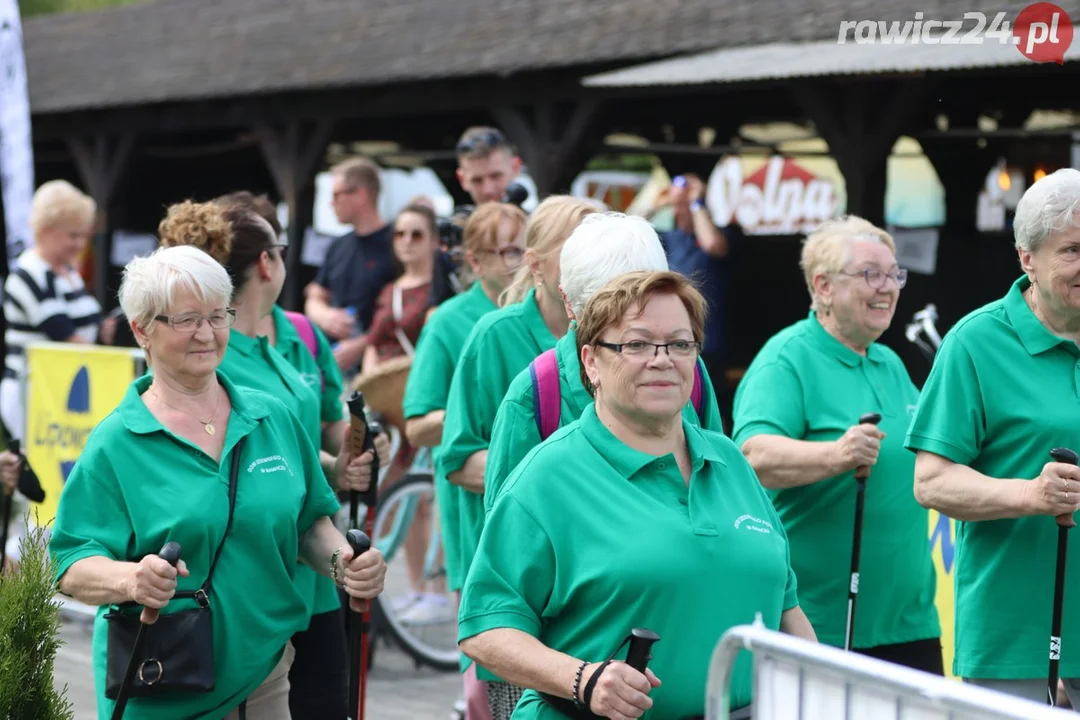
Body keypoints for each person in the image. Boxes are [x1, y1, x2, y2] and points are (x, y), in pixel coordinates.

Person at [49, 244, 386, 720]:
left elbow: (310, 522)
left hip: (266, 675)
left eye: (217, 315)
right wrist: (131, 579)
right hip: (161, 684)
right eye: (186, 320)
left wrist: (343, 562)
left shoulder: (273, 417)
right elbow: (69, 561)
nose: (206, 334)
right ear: (142, 330)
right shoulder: (117, 442)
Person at [459, 270, 815, 719]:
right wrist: (581, 678)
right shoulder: (548, 476)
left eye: (680, 344)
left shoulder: (730, 461)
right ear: (591, 362)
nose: (662, 359)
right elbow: (486, 628)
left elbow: (787, 610)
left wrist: (818, 695)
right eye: (637, 344)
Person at [157, 201, 380, 720]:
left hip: (314, 569)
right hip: (249, 580)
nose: (205, 330)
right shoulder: (210, 355)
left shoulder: (293, 338)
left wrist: (347, 461)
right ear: (266, 262)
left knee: (323, 706)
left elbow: (307, 448)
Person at [730, 216, 941, 673]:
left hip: (911, 623)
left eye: (894, 274)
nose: (887, 287)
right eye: (870, 274)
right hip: (818, 626)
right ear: (822, 286)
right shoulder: (787, 358)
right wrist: (837, 455)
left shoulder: (890, 363)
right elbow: (751, 456)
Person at [907, 168, 1080, 701]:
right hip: (1017, 633)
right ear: (1027, 258)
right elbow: (930, 482)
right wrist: (1031, 494)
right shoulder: (976, 343)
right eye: (1072, 250)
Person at [441, 195, 600, 718]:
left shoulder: (623, 340)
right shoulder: (495, 334)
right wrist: (568, 482)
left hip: (596, 575)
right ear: (535, 263)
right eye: (578, 250)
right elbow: (458, 459)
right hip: (519, 579)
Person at [484, 212, 726, 512]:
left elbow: (719, 487)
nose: (659, 358)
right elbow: (509, 537)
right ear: (569, 304)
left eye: (642, 309)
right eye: (603, 313)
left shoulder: (689, 372)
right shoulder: (533, 397)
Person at [401, 202, 527, 719]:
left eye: (524, 248)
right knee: (486, 681)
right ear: (474, 261)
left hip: (532, 517)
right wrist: (474, 408)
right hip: (474, 512)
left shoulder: (548, 315)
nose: (517, 262)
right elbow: (416, 423)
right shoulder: (451, 322)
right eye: (505, 251)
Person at [220, 192, 350, 471]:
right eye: (282, 251)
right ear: (266, 261)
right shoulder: (207, 352)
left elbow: (313, 436)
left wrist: (355, 449)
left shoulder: (301, 333)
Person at [1, 180, 116, 441]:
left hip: (65, 390)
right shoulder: (29, 274)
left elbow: (89, 326)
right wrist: (112, 359)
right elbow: (63, 333)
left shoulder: (69, 272)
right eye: (72, 236)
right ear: (45, 230)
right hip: (30, 392)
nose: (80, 245)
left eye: (84, 236)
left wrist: (107, 330)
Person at [648, 173, 735, 426]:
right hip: (671, 340)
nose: (681, 208)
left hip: (710, 343)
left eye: (686, 203)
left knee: (711, 412)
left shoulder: (723, 233)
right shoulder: (667, 237)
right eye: (679, 203)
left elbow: (711, 244)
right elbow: (626, 232)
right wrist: (657, 204)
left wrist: (698, 203)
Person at [304, 157, 398, 373]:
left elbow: (409, 310)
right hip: (334, 367)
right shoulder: (338, 246)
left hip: (381, 368)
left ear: (361, 195)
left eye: (337, 194)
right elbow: (315, 295)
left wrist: (363, 344)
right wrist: (324, 316)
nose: (331, 203)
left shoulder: (398, 243)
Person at [455, 127, 523, 206]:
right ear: (462, 179)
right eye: (477, 180)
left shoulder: (535, 218)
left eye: (496, 176)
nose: (488, 190)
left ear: (515, 167)